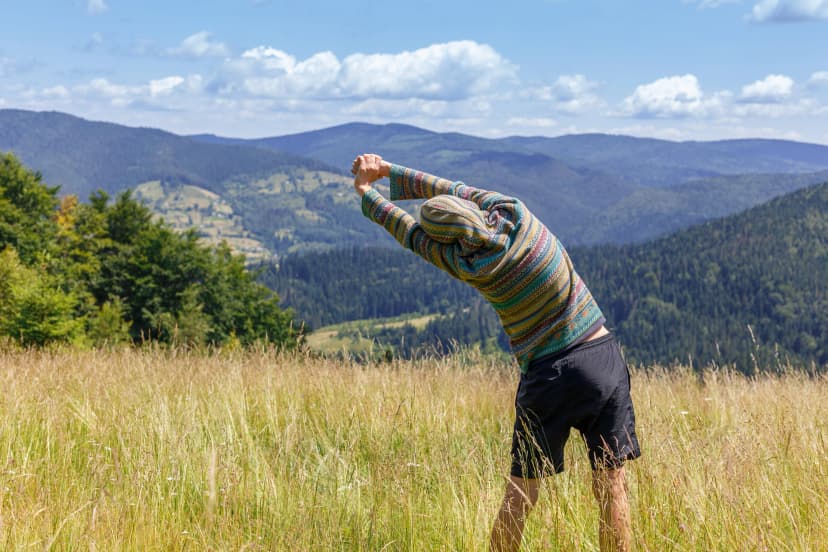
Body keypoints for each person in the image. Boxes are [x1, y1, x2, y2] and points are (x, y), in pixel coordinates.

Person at [351, 153, 641, 552]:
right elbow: (450, 187)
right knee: (612, 486)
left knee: (521, 495)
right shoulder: (515, 214)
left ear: (448, 239)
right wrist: (388, 170)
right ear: (476, 210)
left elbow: (407, 233)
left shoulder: (468, 264)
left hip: (548, 375)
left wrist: (367, 192)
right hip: (601, 354)